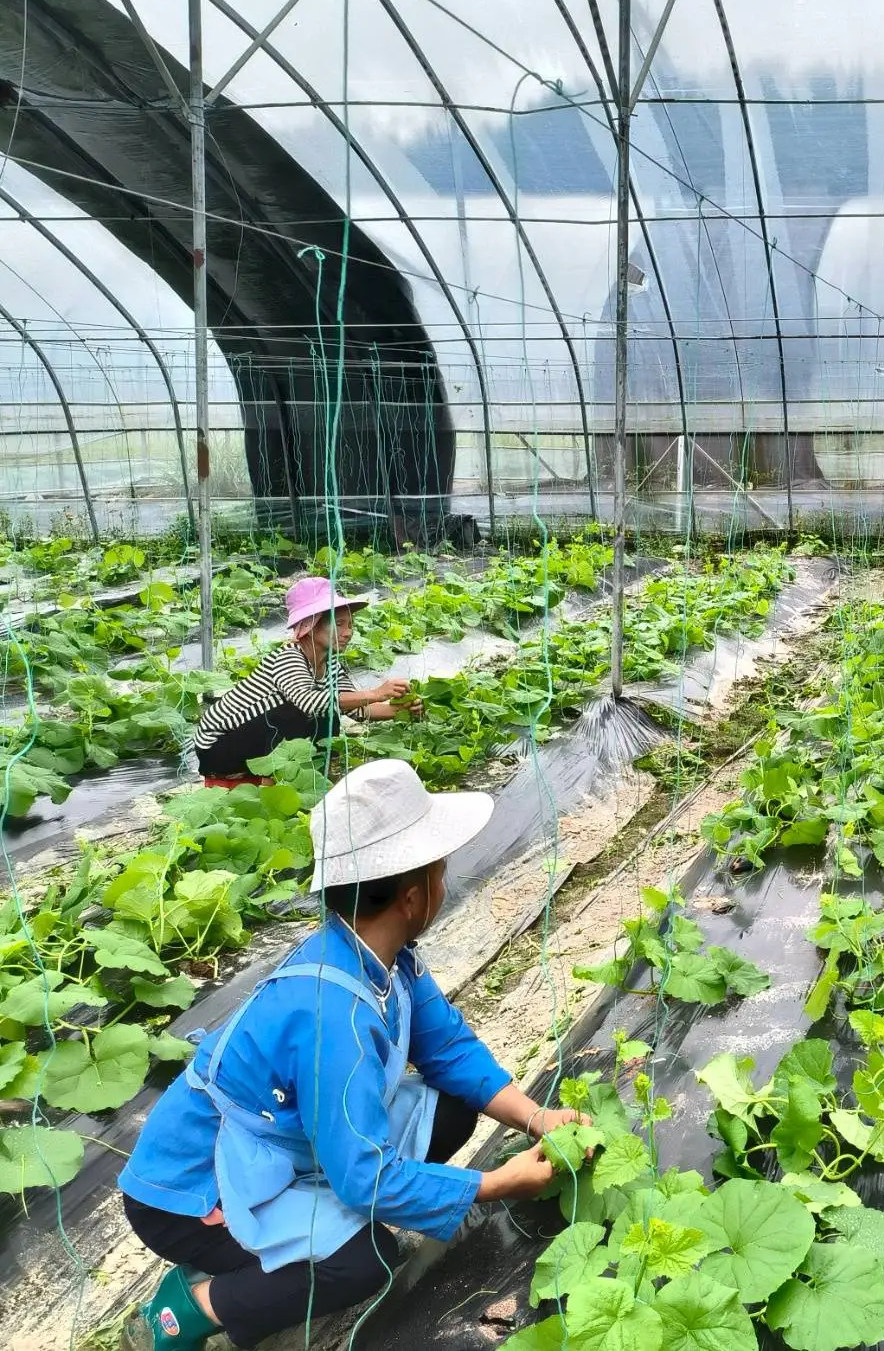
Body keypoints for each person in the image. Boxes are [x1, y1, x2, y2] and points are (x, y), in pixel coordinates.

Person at [118, 758, 582, 1350]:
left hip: (285, 1150)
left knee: (453, 1108)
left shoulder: (382, 959)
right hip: (193, 1192)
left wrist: (536, 1117)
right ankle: (193, 1307)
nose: (447, 878)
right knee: (367, 1263)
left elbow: (447, 1048)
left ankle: (308, 1226)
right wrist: (493, 1184)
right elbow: (365, 1179)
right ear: (414, 898)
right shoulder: (332, 1016)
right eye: (441, 869)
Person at [192, 576, 416, 788]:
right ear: (310, 625)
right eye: (339, 624)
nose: (348, 632)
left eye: (350, 625)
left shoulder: (330, 665)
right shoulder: (289, 656)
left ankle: (319, 777)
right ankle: (272, 786)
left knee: (331, 710)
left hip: (251, 743)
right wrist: (376, 693)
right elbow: (307, 701)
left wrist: (400, 709)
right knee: (296, 711)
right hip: (217, 748)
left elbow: (358, 710)